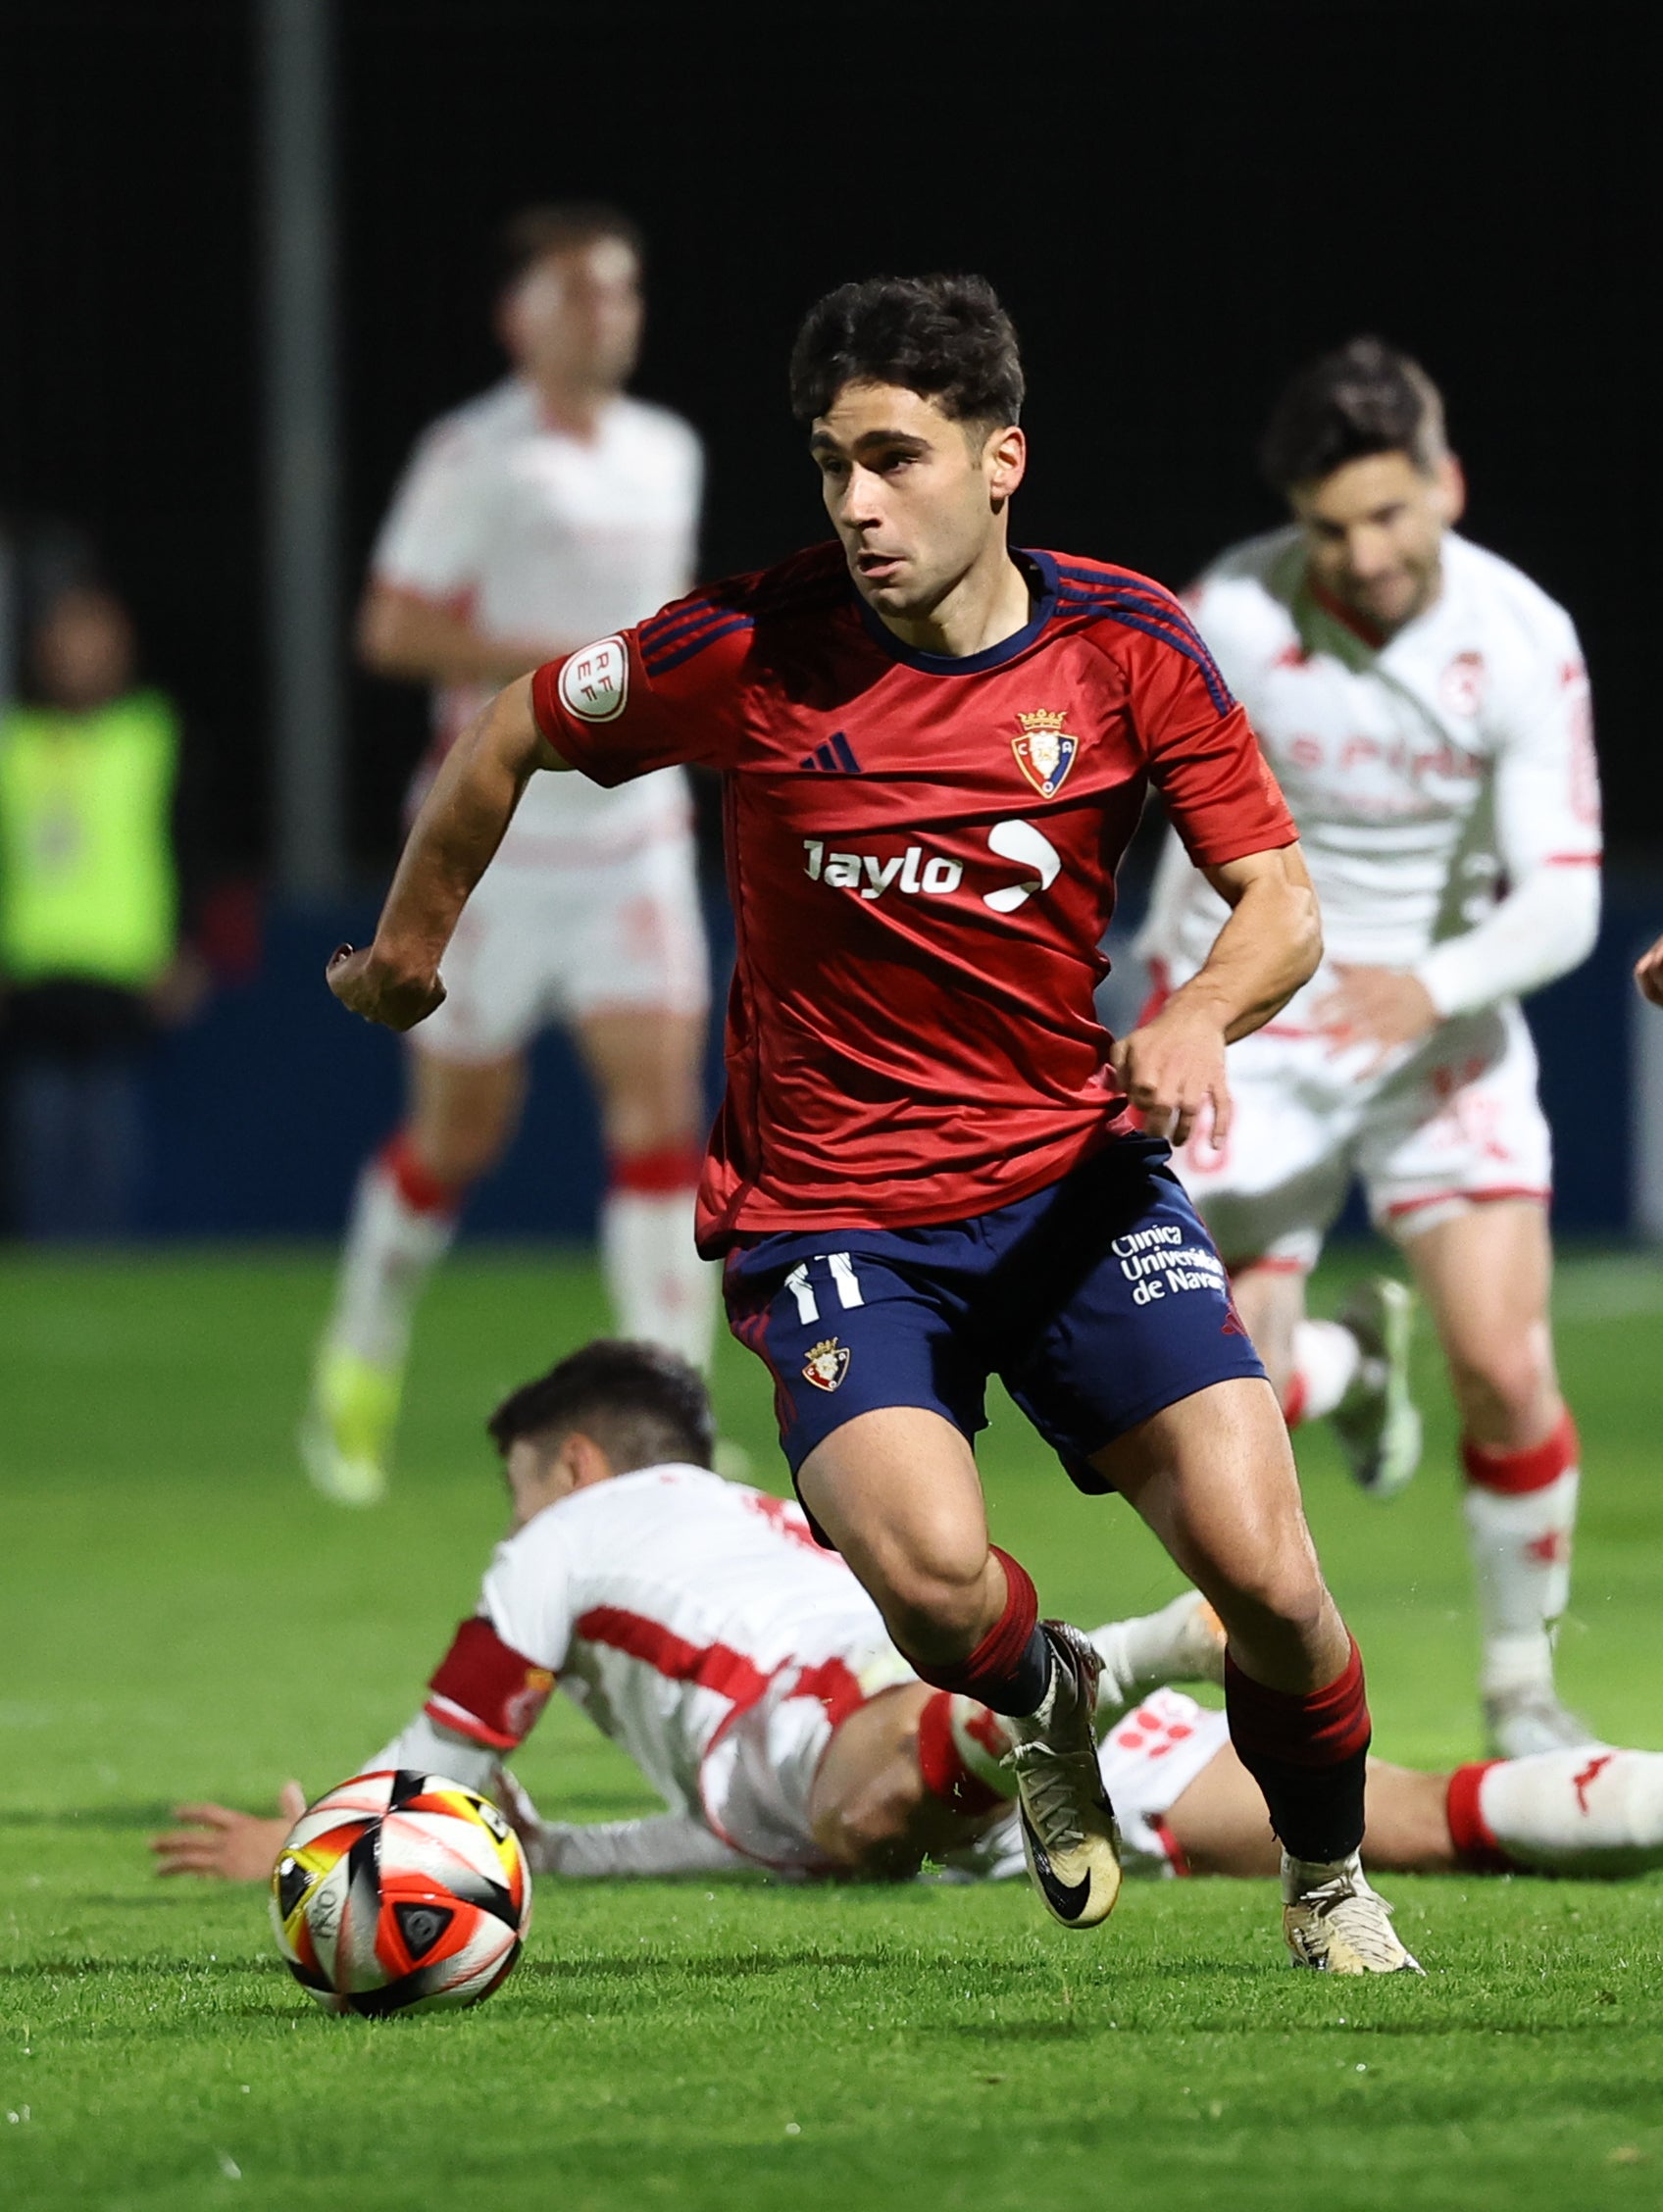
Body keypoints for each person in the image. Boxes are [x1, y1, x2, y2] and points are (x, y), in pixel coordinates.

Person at [324, 272, 1416, 1974]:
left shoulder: (1123, 649)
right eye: (832, 463)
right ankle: (1046, 1699)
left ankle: (1330, 1881)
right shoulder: (744, 648)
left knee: (1270, 1577)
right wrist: (410, 950)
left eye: (894, 459)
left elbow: (1275, 900)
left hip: (1071, 1186)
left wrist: (1195, 1017)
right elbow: (508, 731)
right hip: (834, 1220)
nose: (854, 502)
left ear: (1001, 462)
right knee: (926, 1578)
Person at [153, 1340, 1663, 1897]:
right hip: (958, 1747)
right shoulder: (741, 1529)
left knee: (871, 1807)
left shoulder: (579, 1534)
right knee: (1406, 1821)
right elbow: (764, 1845)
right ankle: (1083, 1682)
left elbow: (447, 1755)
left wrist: (315, 1858)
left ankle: (1107, 1658)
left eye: (516, 1490)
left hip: (862, 1719)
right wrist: (568, 1861)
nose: (511, 1525)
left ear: (574, 1462)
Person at [1138, 337, 1603, 1762]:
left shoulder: (1522, 641)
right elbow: (1174, 860)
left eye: (1393, 515)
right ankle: (1342, 1357)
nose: (1367, 553)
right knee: (1216, 1408)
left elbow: (1566, 898)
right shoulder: (1232, 612)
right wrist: (1187, 1016)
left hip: (1438, 1035)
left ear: (1445, 485)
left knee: (1509, 1371)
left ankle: (1522, 1693)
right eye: (1333, 526)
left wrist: (1430, 983)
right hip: (1266, 1031)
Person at [302, 203, 713, 1508]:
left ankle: (670, 1419)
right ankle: (357, 1360)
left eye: (626, 291)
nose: (611, 313)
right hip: (497, 843)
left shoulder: (668, 451)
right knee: (460, 1135)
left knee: (661, 1118)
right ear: (520, 315)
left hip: (635, 837)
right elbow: (390, 629)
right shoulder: (473, 454)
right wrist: (551, 667)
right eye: (584, 292)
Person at [0, 582, 210, 1237]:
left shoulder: (152, 735)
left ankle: (108, 1270)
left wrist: (188, 947)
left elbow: (193, 846)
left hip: (126, 975)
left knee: (111, 1149)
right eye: (67, 638)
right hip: (33, 975)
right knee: (40, 1143)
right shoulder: (16, 744)